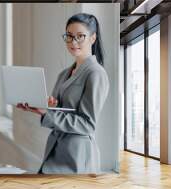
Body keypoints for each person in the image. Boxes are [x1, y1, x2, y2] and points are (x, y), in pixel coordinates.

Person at [17, 13, 109, 174]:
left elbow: (87, 124)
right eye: (69, 36)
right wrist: (43, 107)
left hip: (77, 156)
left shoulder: (96, 73)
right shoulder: (64, 73)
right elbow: (58, 111)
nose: (73, 42)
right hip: (55, 149)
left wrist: (49, 114)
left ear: (93, 38)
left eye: (80, 36)